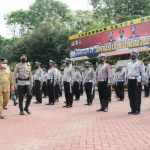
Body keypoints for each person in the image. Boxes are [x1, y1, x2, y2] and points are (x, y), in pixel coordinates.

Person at [125, 49, 148, 115]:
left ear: (137, 55)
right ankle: (133, 109)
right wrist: (126, 81)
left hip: (137, 80)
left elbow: (143, 72)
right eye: (132, 53)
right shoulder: (128, 64)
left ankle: (137, 109)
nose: (133, 55)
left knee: (137, 95)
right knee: (131, 95)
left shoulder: (140, 63)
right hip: (130, 80)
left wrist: (143, 80)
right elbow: (126, 73)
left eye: (135, 53)